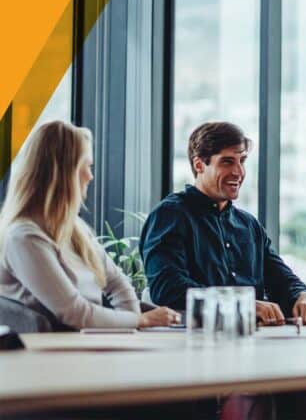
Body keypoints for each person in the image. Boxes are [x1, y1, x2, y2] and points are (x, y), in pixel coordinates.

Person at [0, 121, 178, 329]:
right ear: (65, 174)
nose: (90, 176)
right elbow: (75, 313)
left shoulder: (74, 228)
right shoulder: (24, 238)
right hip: (47, 353)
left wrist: (131, 322)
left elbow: (117, 283)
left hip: (80, 344)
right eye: (87, 166)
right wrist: (141, 320)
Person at [140, 121, 306, 325]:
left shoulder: (248, 225)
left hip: (253, 341)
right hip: (193, 344)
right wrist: (242, 305)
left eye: (242, 161)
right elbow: (168, 289)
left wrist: (303, 296)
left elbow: (281, 278)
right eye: (227, 162)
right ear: (199, 165)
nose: (239, 172)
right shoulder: (170, 215)